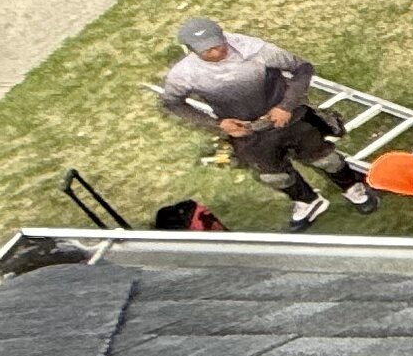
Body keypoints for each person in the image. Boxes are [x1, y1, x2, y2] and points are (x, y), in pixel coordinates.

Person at [152, 17, 376, 226]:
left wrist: (286, 106)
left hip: (290, 118)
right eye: (207, 50)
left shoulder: (255, 49)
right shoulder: (184, 74)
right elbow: (172, 103)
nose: (217, 51)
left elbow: (302, 68)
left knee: (326, 159)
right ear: (191, 50)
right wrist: (217, 124)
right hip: (248, 132)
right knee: (274, 176)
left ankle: (353, 188)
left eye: (219, 44)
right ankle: (308, 201)